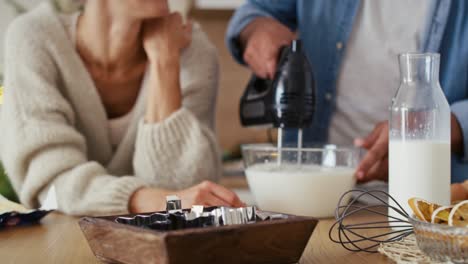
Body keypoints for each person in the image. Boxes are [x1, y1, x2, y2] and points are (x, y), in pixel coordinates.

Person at [1, 0, 243, 216]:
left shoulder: (189, 48)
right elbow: (50, 184)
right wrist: (149, 200)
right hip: (62, 246)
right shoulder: (34, 39)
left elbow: (186, 196)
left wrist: (164, 60)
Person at [226, 0, 468, 184]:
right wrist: (258, 30)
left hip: (437, 204)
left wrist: (443, 126)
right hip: (312, 197)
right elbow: (255, 12)